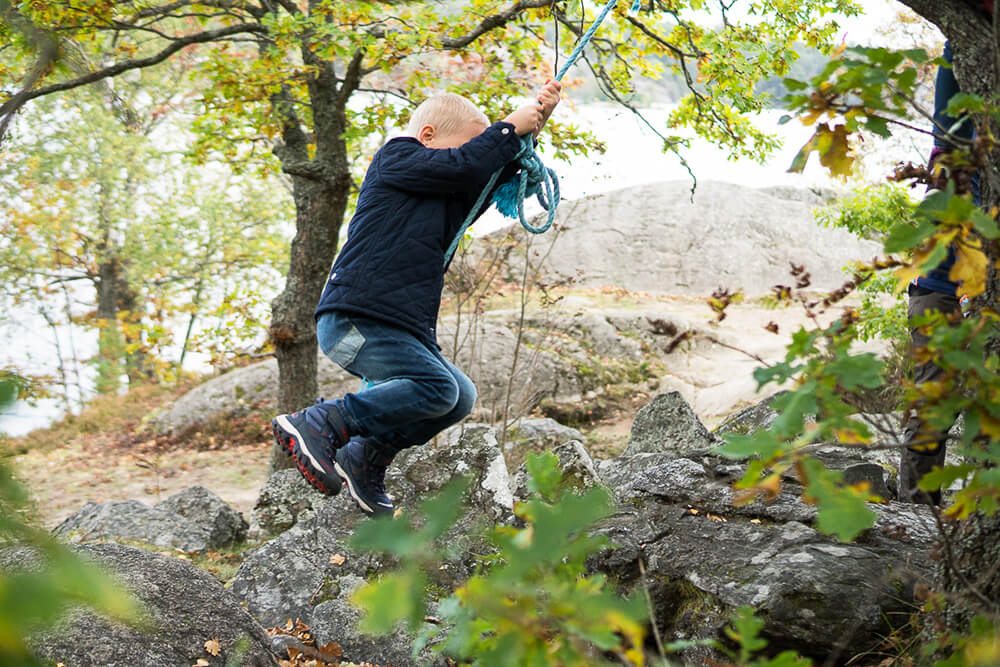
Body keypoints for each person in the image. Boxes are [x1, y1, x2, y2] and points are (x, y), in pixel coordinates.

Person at [271, 81, 562, 516]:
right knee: (436, 387)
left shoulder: (438, 189)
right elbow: (465, 166)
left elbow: (473, 174)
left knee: (458, 395)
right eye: (460, 147)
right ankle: (322, 422)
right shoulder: (397, 157)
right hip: (357, 318)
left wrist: (525, 132)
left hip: (394, 325)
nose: (464, 157)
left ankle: (363, 455)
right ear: (428, 136)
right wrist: (504, 130)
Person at [898, 39, 980, 505]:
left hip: (957, 293)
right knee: (934, 403)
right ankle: (915, 510)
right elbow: (948, 130)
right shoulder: (954, 166)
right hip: (937, 293)